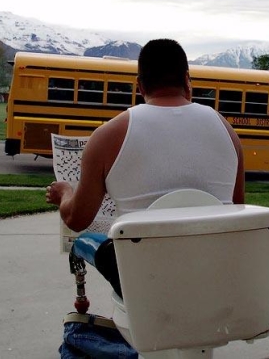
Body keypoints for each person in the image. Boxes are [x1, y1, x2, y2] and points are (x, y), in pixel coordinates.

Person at [45, 39, 244, 290]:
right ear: (187, 80)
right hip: (215, 281)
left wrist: (64, 192)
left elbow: (76, 219)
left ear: (139, 85)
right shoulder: (227, 131)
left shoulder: (108, 135)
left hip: (144, 288)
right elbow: (238, 211)